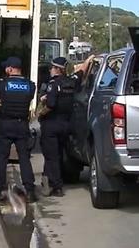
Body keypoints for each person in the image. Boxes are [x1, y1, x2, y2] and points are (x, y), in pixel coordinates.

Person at [39, 55, 93, 197]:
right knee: (57, 154)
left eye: (52, 67)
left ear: (58, 69)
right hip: (66, 125)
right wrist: (90, 59)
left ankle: (56, 186)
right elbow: (82, 70)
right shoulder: (71, 81)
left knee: (51, 156)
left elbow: (50, 105)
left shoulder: (53, 84)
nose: (50, 70)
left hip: (51, 124)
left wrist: (40, 114)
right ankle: (48, 181)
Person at [0, 56, 37, 203]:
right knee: (24, 159)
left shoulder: (3, 84)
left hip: (5, 125)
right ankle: (30, 191)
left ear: (10, 69)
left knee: (1, 158)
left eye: (6, 68)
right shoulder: (30, 85)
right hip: (22, 125)